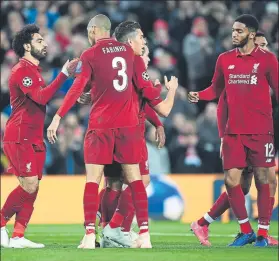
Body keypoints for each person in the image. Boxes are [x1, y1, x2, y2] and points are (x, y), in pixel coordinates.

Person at [47, 15, 178, 249]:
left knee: (95, 181)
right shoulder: (131, 54)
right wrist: (161, 113)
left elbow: (78, 87)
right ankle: (143, 235)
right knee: (136, 180)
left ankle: (90, 235)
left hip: (101, 126)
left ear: (95, 30)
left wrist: (58, 117)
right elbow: (142, 95)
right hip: (128, 127)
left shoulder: (90, 54)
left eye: (89, 32)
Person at [188, 14, 278, 247]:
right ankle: (246, 230)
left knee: (263, 179)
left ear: (251, 33)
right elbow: (216, 89)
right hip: (233, 131)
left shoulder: (268, 60)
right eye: (233, 31)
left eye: (239, 31)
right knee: (231, 181)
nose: (234, 35)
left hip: (261, 130)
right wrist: (200, 95)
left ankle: (262, 234)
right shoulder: (224, 59)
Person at [0, 24, 78, 248]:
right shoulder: (21, 70)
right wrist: (63, 75)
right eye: (39, 41)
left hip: (34, 137)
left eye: (43, 40)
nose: (44, 44)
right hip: (20, 135)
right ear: (27, 46)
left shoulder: (34, 71)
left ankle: (18, 236)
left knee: (33, 187)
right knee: (29, 185)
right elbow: (42, 98)